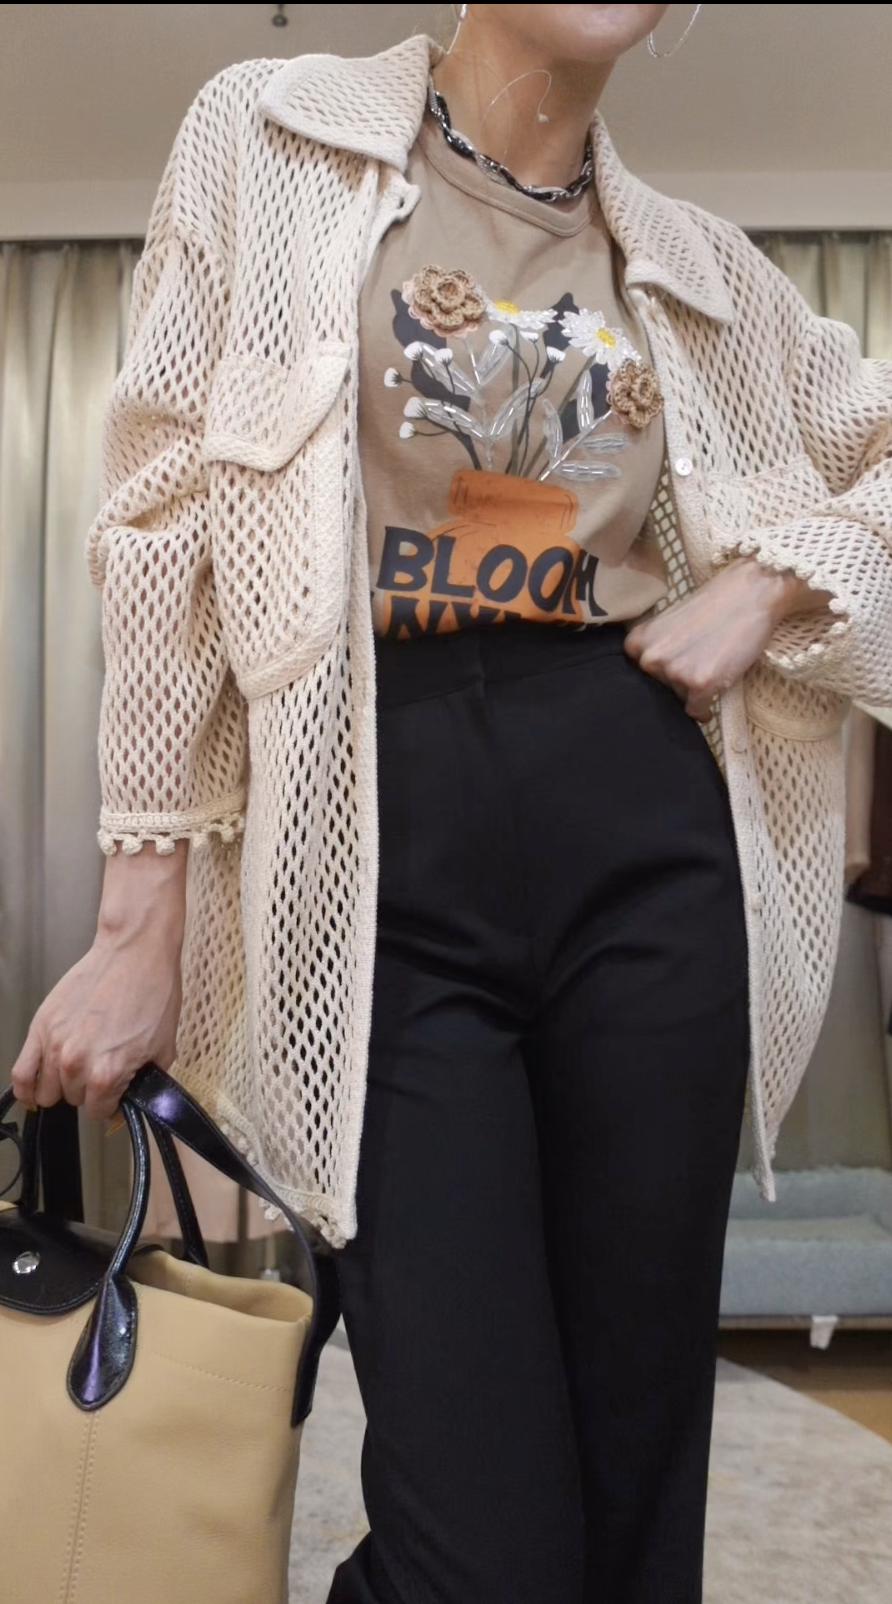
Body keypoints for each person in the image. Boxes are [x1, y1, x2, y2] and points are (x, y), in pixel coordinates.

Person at [11, 5, 892, 1601]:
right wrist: (141, 917)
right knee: (479, 1548)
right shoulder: (273, 139)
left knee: (633, 1499)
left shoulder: (703, 270)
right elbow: (159, 518)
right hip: (368, 849)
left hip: (644, 830)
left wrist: (771, 584)